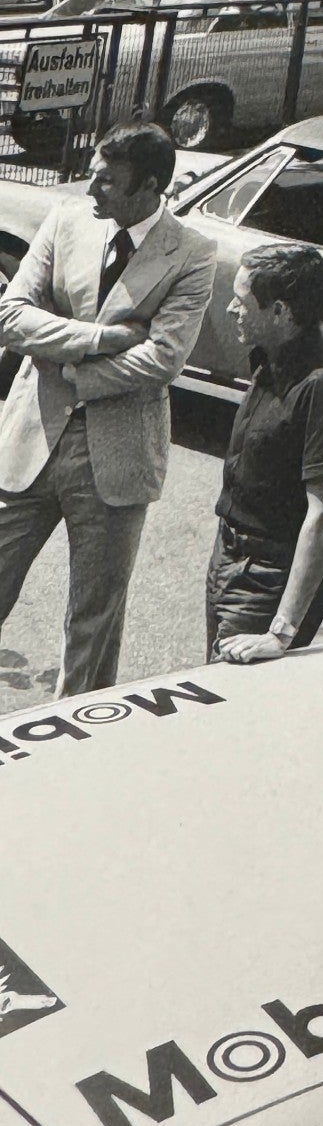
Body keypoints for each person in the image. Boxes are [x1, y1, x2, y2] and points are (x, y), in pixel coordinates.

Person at [0, 121, 217, 695]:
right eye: (92, 176)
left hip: (116, 460)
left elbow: (163, 358)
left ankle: (76, 728)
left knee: (93, 619)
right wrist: (100, 339)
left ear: (150, 187)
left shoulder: (192, 253)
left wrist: (73, 370)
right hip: (30, 438)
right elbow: (10, 315)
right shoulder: (65, 220)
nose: (91, 190)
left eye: (107, 182)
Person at [208, 242, 323, 664]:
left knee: (233, 694)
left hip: (267, 577)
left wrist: (280, 633)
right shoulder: (271, 358)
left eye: (242, 302)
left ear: (279, 312)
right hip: (230, 555)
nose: (231, 310)